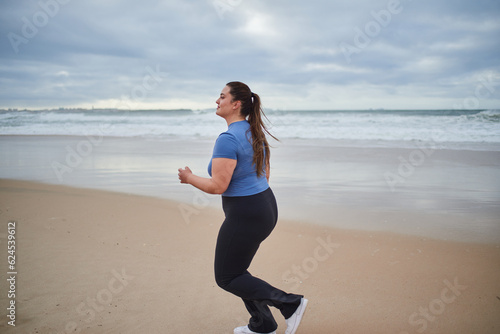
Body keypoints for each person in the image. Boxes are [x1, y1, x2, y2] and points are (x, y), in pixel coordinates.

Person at [178, 82, 308, 334]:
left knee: (227, 277)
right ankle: (263, 325)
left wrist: (189, 177)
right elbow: (265, 173)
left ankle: (290, 303)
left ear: (236, 104)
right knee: (238, 271)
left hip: (246, 214)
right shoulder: (253, 131)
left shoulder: (228, 138)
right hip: (265, 206)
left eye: (222, 96)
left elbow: (218, 185)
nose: (217, 101)